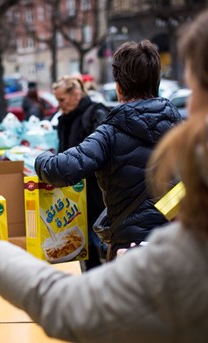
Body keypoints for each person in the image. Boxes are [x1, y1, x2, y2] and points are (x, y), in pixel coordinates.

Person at [0, 0, 208, 341]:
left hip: (130, 243)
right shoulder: (180, 129)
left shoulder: (207, 252)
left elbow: (71, 308)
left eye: (195, 88)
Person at [39, 42, 181, 263]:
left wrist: (42, 157)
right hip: (177, 244)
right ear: (157, 82)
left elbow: (60, 170)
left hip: (130, 251)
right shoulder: (183, 128)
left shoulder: (109, 133)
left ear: (118, 88)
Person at [45, 75, 112, 269]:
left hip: (95, 195)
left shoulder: (95, 114)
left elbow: (99, 156)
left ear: (76, 94)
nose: (59, 106)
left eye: (62, 100)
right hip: (76, 196)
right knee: (85, 250)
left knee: (100, 247)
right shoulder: (66, 118)